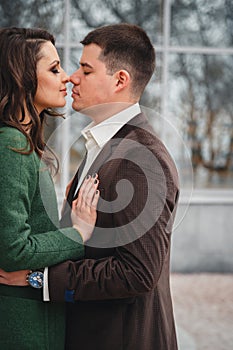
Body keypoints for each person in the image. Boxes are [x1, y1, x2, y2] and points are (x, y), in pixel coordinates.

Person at [0, 23, 179, 350]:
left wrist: (39, 279)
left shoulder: (141, 160)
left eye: (85, 69)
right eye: (63, 68)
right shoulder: (104, 147)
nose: (72, 77)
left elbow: (137, 273)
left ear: (120, 80)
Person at [0, 27, 99, 350]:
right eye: (54, 69)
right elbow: (12, 249)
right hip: (23, 324)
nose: (67, 78)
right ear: (22, 76)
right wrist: (78, 232)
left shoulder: (24, 143)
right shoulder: (11, 145)